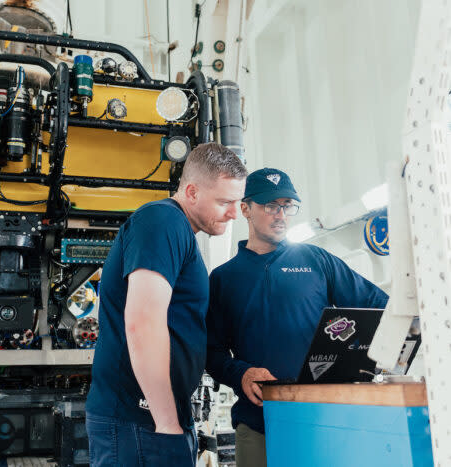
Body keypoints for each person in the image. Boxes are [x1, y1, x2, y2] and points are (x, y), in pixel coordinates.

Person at [206, 168, 389, 467]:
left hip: (324, 421)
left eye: (287, 206)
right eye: (270, 205)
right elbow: (209, 352)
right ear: (245, 209)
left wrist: (362, 357)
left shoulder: (316, 261)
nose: (281, 214)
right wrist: (240, 373)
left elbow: (378, 307)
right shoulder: (224, 280)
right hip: (259, 425)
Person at [85, 143, 248, 467]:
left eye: (238, 201)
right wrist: (167, 423)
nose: (234, 212)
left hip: (152, 422)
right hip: (141, 423)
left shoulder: (178, 232)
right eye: (225, 201)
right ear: (191, 192)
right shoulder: (162, 221)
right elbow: (143, 322)